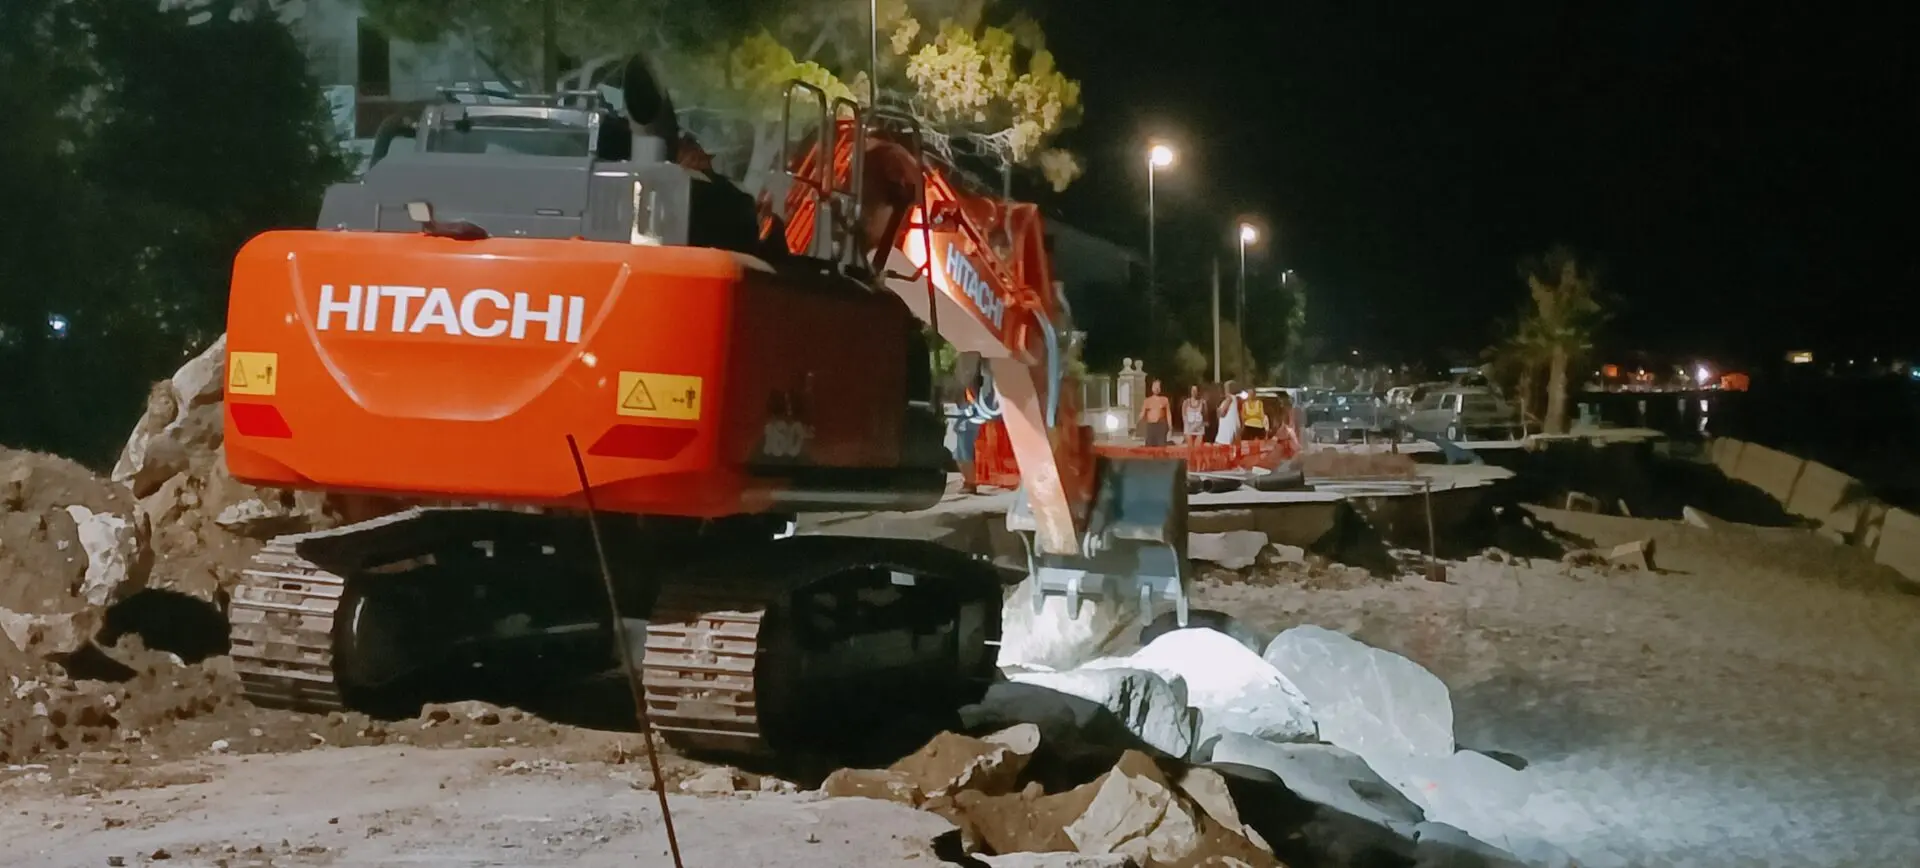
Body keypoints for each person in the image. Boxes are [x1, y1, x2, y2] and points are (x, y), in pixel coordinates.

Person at [1139, 379, 1172, 446]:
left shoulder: (1164, 400)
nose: (1156, 388)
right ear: (1152, 388)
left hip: (1161, 425)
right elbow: (1142, 414)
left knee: (1161, 445)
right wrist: (1137, 425)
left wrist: (1170, 426)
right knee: (1149, 446)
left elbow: (1168, 414)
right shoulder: (1147, 401)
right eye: (1155, 386)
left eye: (1158, 386)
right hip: (1150, 426)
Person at [1214, 380, 1242, 445]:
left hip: (1227, 431)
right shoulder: (1235, 399)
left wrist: (1218, 410)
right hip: (1231, 429)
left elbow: (1222, 413)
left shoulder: (1229, 398)